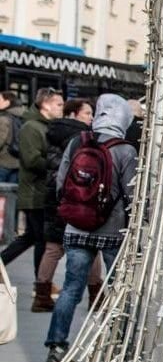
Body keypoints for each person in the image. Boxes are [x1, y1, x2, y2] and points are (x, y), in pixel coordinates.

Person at [45, 94, 137, 362]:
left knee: (71, 289)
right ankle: (120, 344)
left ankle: (56, 345)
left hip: (76, 227)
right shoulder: (125, 150)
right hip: (111, 229)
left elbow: (61, 182)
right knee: (118, 287)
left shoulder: (78, 142)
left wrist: (75, 210)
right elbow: (132, 193)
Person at [33, 98, 103, 312]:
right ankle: (96, 296)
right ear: (74, 114)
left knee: (53, 248)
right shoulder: (83, 138)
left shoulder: (53, 130)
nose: (91, 118)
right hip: (77, 196)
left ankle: (42, 295)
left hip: (55, 195)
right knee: (90, 246)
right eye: (87, 113)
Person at [2, 87, 64, 277]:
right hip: (34, 192)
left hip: (39, 191)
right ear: (45, 104)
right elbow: (31, 160)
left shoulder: (44, 125)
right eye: (58, 104)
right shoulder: (32, 127)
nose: (62, 108)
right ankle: (41, 284)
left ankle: (38, 282)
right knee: (40, 240)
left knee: (30, 237)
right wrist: (58, 166)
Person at [0, 90, 23, 183]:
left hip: (3, 163)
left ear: (7, 102)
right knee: (11, 195)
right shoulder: (21, 117)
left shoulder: (3, 119)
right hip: (17, 163)